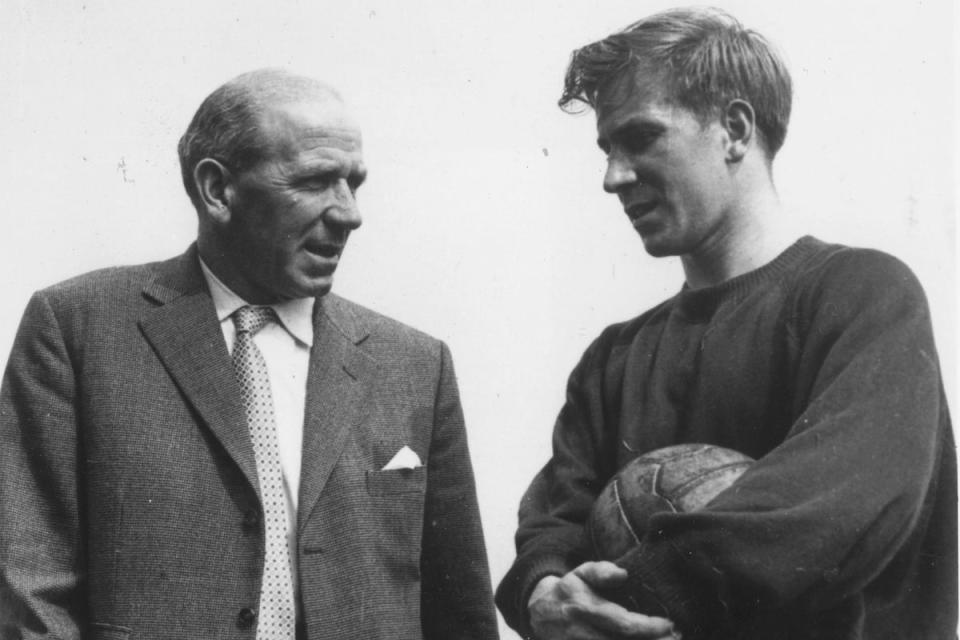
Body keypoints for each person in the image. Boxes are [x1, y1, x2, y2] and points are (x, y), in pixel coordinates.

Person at [495, 8, 956, 640]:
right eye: (606, 150)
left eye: (641, 138)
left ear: (734, 129)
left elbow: (834, 508)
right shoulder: (613, 358)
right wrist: (543, 593)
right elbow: (551, 525)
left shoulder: (864, 295)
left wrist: (633, 597)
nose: (612, 177)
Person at [0, 69, 499, 640]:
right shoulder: (78, 328)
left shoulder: (414, 364)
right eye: (315, 181)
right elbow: (29, 591)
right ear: (216, 190)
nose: (348, 213)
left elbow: (460, 614)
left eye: (353, 184)